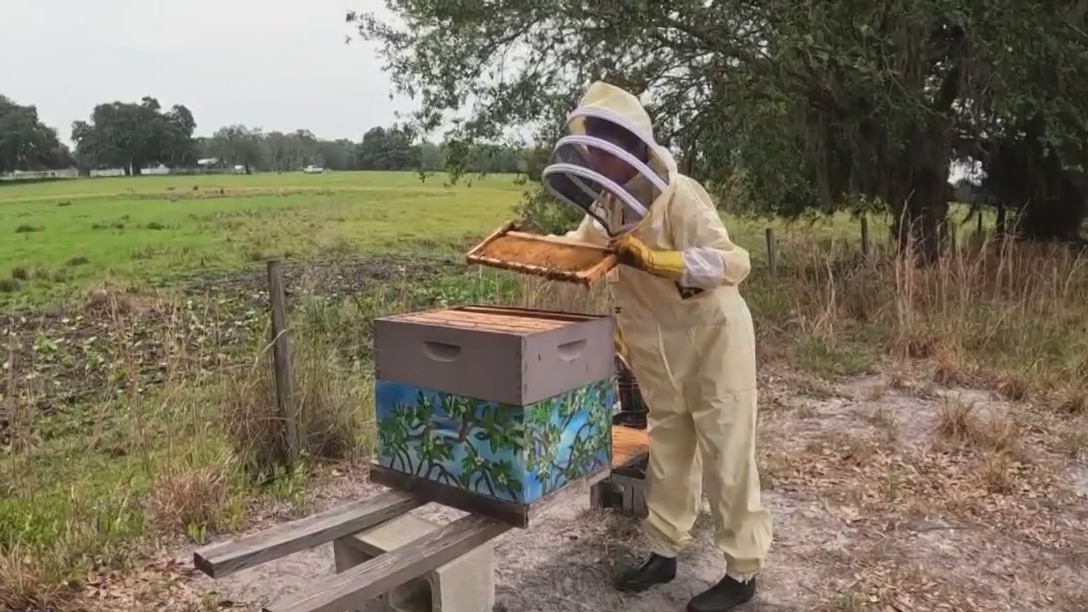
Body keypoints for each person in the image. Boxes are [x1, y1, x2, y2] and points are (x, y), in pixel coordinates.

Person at [540, 81, 773, 612]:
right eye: (592, 146)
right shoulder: (607, 203)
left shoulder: (680, 195)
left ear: (630, 145)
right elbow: (581, 250)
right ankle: (664, 550)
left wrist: (660, 261)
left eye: (605, 144)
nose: (597, 156)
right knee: (668, 449)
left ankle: (742, 573)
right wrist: (533, 248)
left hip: (714, 336)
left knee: (727, 452)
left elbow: (734, 263)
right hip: (659, 345)